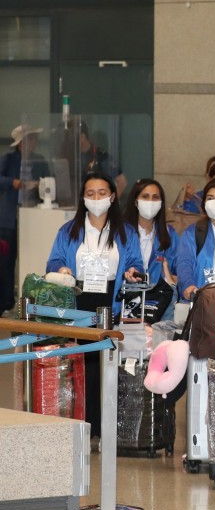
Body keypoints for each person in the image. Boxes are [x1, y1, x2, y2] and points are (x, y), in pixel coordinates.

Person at [47, 172, 144, 440]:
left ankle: (110, 430)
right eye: (91, 193)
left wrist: (133, 270)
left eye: (102, 193)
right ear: (83, 198)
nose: (97, 198)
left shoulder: (126, 232)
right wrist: (61, 267)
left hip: (111, 302)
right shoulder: (69, 230)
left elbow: (136, 262)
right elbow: (52, 263)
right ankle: (88, 428)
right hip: (80, 300)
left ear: (113, 197)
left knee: (109, 366)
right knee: (86, 368)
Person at [0, 125, 50, 314]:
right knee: (6, 262)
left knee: (32, 257)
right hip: (8, 219)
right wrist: (13, 183)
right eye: (29, 140)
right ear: (20, 143)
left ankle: (32, 301)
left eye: (34, 140)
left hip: (33, 218)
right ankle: (6, 303)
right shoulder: (8, 160)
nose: (33, 144)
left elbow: (50, 180)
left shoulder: (40, 161)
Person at [123, 179, 179, 321]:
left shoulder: (169, 234)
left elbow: (177, 273)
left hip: (159, 303)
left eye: (155, 197)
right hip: (126, 299)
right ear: (136, 201)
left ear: (161, 203)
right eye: (145, 196)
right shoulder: (121, 232)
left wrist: (169, 276)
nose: (150, 201)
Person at [77, 122, 127, 196]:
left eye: (73, 137)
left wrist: (111, 202)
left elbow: (122, 182)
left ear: (82, 137)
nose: (70, 141)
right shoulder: (73, 156)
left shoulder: (102, 156)